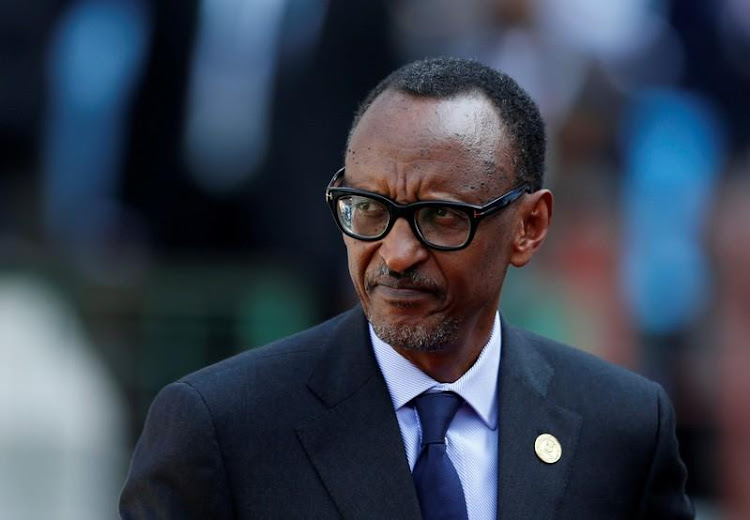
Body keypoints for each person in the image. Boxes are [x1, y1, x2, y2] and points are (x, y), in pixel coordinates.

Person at [119, 57, 694, 519]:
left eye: (441, 217)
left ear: (529, 228)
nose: (395, 253)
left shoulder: (623, 429)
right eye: (367, 209)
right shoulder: (222, 430)